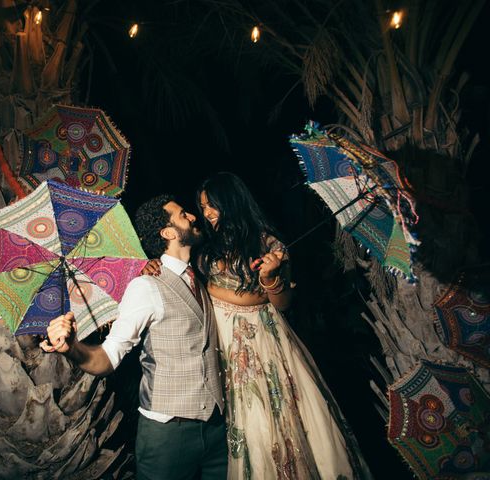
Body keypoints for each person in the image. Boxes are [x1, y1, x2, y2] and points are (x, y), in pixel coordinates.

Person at [145, 173, 371, 479]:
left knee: (271, 421)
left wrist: (270, 278)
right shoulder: (204, 246)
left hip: (263, 342)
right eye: (202, 207)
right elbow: (184, 279)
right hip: (221, 342)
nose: (207, 213)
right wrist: (153, 263)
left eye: (212, 205)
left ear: (232, 201)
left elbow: (283, 303)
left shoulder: (267, 243)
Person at [41, 194, 228, 480]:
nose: (191, 217)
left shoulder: (198, 279)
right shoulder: (145, 287)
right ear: (168, 233)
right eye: (182, 215)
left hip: (217, 429)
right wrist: (72, 349)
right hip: (169, 435)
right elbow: (106, 358)